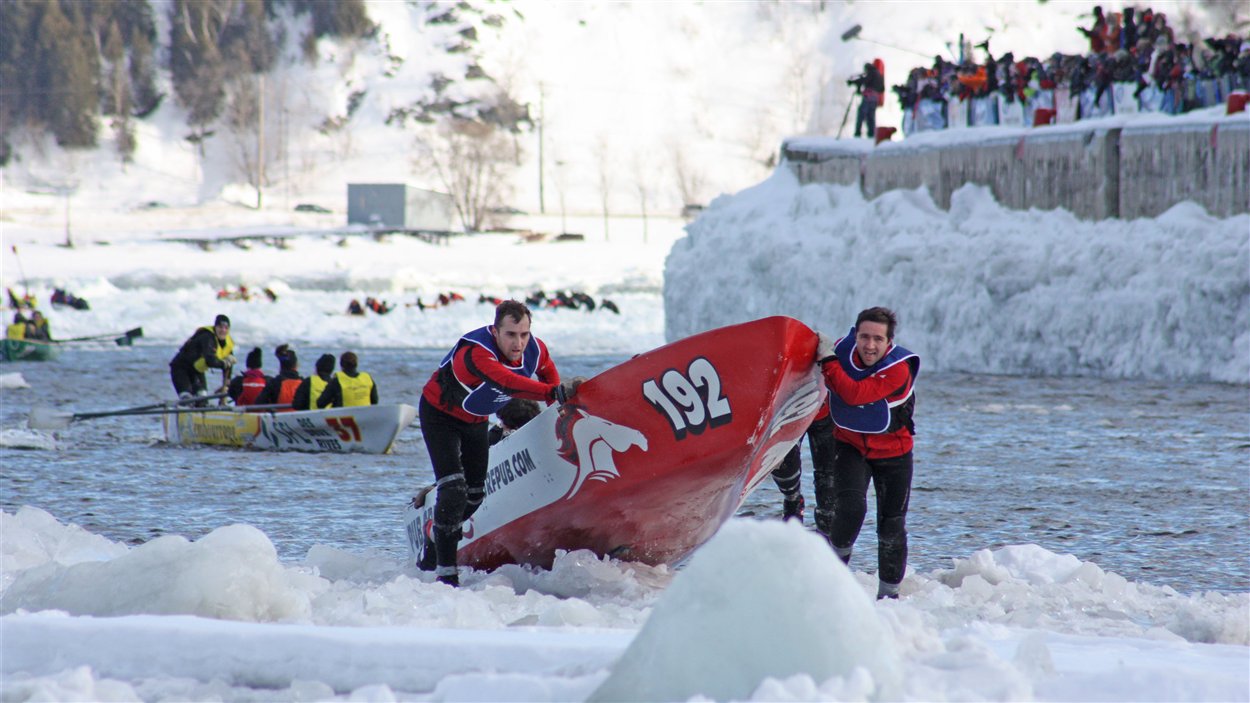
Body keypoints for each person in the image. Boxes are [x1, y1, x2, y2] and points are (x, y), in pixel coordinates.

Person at [418, 299, 576, 586]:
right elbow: (508, 383)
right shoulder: (476, 353)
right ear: (495, 331)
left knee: (475, 496)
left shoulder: (535, 349)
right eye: (511, 335)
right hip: (439, 417)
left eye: (524, 334)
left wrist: (560, 401)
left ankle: (437, 532)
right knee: (454, 488)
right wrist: (552, 391)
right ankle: (446, 573)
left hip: (475, 420)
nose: (518, 343)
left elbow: (548, 372)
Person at [814, 306, 920, 600]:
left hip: (894, 455)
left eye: (877, 339)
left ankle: (889, 597)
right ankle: (830, 580)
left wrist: (828, 361)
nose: (869, 345)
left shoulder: (898, 368)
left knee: (891, 526)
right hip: (850, 446)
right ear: (855, 335)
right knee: (850, 509)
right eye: (864, 337)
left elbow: (854, 394)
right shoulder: (841, 350)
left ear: (889, 343)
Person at [770, 404, 836, 523]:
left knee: (829, 488)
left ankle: (825, 533)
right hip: (789, 411)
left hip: (827, 412)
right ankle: (793, 507)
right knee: (784, 469)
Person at [169, 314, 235, 400]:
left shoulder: (228, 342)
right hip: (181, 369)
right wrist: (223, 364)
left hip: (197, 371)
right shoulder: (207, 337)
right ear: (215, 327)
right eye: (220, 327)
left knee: (202, 399)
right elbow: (210, 360)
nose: (223, 330)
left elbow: (229, 363)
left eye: (226, 328)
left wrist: (226, 383)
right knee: (187, 399)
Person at [849, 61, 884, 138]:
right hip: (875, 98)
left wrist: (855, 82)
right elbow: (882, 89)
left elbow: (864, 80)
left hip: (868, 97)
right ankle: (871, 135)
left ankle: (858, 133)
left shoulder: (871, 73)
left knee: (861, 114)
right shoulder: (879, 75)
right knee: (871, 117)